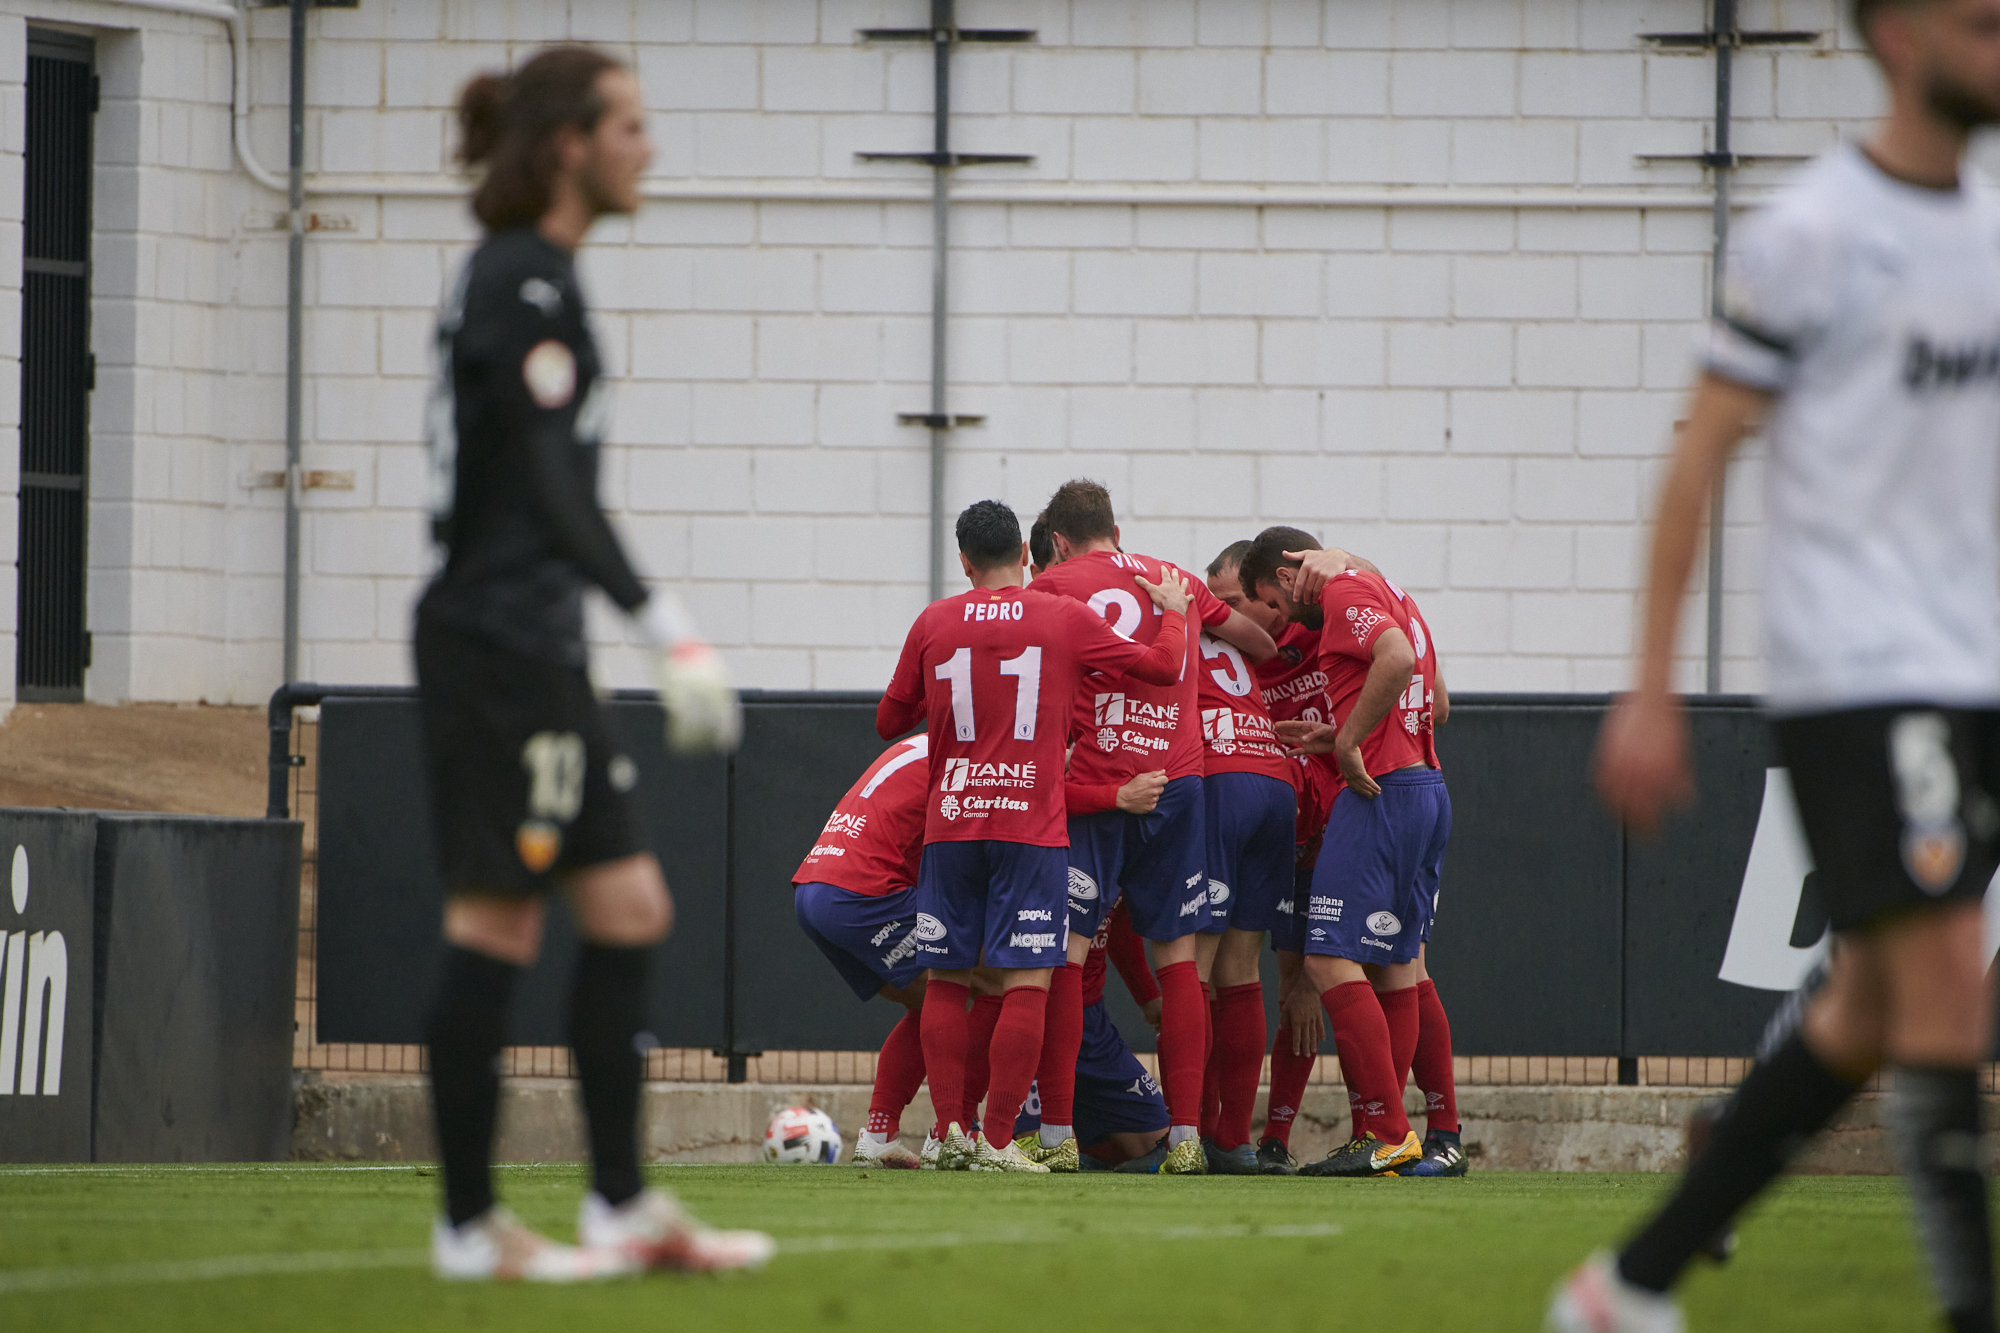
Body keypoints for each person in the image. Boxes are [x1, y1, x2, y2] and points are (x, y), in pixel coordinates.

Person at [1553, 2, 2000, 1328]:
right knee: (1944, 984)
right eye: (1984, 22)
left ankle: (1626, 1288)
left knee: (1864, 1006)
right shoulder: (1809, 235)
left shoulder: (1985, 233)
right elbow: (1700, 457)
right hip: (1859, 671)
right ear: (1898, 37)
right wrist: (1649, 684)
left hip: (1965, 674)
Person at [416, 47, 769, 1280]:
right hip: (498, 646)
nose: (648, 145)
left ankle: (619, 1206)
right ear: (568, 142)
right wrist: (661, 621)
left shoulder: (541, 277)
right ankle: (469, 1225)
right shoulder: (519, 278)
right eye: (628, 123)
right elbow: (548, 478)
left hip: (537, 642)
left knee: (630, 910)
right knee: (497, 924)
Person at [876, 500, 1195, 1172]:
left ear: (963, 561)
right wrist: (1172, 608)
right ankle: (996, 1143)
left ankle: (950, 1132)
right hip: (1031, 823)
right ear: (1025, 552)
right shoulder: (1059, 617)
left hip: (953, 820)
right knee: (1026, 978)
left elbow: (888, 717)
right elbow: (1164, 667)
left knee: (946, 978)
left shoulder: (934, 621)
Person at [1028, 480, 1278, 1176]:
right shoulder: (1171, 577)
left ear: (1058, 540)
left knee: (1065, 957)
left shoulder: (1053, 586)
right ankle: (1190, 1136)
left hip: (1103, 785)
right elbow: (1256, 639)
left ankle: (1055, 1137)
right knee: (1179, 965)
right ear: (1116, 527)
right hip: (1180, 783)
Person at [1239, 528, 1450, 1179]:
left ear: (1286, 572)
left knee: (1328, 959)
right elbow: (1437, 702)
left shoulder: (1345, 592)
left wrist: (1351, 744)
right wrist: (1341, 733)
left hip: (1378, 794)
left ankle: (1387, 1131)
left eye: (1269, 601)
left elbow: (1396, 661)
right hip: (1423, 786)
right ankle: (1409, 1135)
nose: (1276, 618)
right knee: (1394, 966)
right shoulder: (1393, 592)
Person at [1191, 544, 1301, 1175]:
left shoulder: (1187, 625)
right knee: (1239, 971)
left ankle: (1191, 1132)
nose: (1224, 612)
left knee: (1193, 970)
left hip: (1224, 782)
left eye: (1232, 601)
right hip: (1275, 785)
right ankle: (1230, 1139)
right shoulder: (1265, 643)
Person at [791, 734, 934, 1169]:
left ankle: (878, 1134)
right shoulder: (967, 752)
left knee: (930, 1006)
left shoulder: (924, 742)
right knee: (988, 986)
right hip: (862, 893)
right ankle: (957, 1133)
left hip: (814, 890)